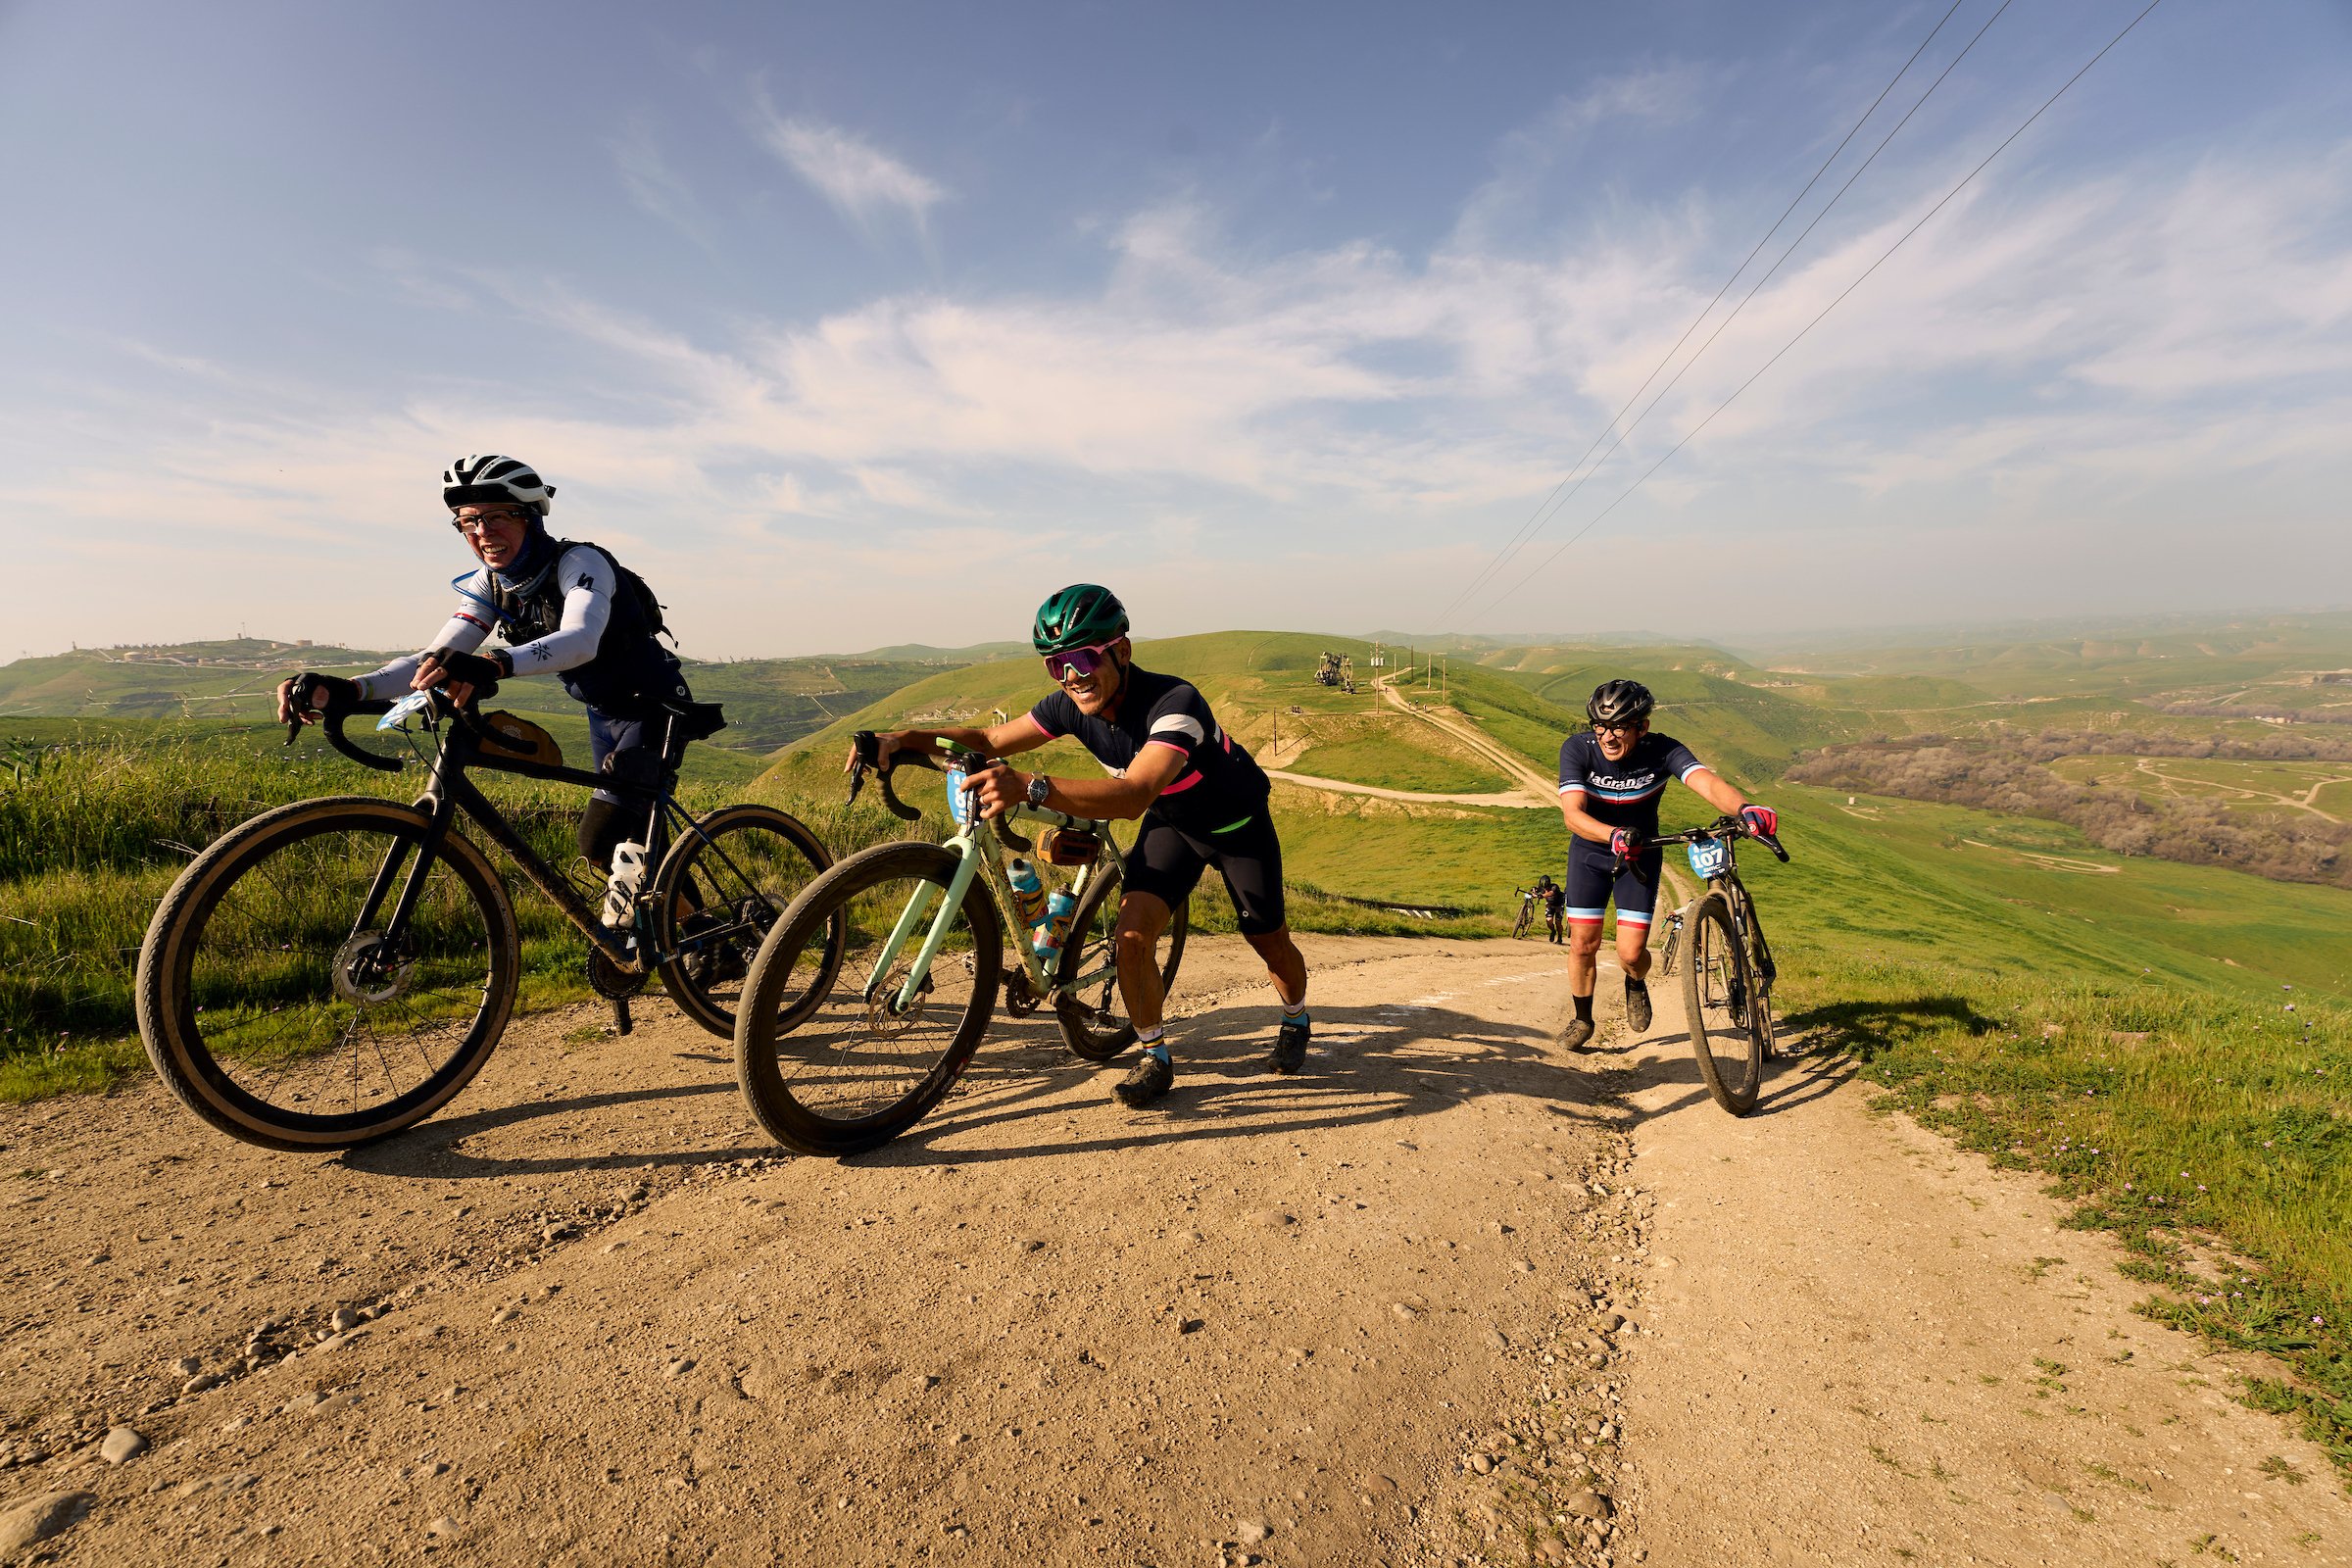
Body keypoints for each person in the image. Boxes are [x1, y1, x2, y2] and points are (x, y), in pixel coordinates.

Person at [858, 584, 1309, 1108]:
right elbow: (988, 740)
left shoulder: (1175, 703)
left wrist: (1031, 786)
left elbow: (1134, 794)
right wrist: (900, 738)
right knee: (1132, 939)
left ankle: (1296, 1015)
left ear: (1121, 651)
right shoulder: (1070, 705)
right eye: (1056, 665)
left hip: (1237, 828)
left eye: (1082, 658)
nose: (1072, 677)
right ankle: (1155, 1056)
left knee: (1268, 941)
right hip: (1174, 827)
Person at [275, 455, 695, 872]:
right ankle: (670, 931)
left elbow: (581, 640)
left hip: (655, 706)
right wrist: (350, 688)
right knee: (628, 845)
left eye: (497, 516)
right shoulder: (490, 584)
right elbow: (433, 658)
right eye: (467, 521)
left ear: (531, 517)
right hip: (603, 713)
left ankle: (698, 936)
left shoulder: (580, 563)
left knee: (601, 841)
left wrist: (493, 664)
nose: (482, 532)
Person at [1554, 679, 1777, 1050]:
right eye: (1600, 726)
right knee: (1582, 944)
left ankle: (1635, 981)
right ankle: (1582, 1019)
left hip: (1640, 856)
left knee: (1630, 954)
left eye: (1619, 727)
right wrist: (1611, 834)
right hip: (1591, 854)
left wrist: (1744, 808)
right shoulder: (1578, 749)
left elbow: (1705, 782)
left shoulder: (1662, 750)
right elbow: (1572, 815)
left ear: (1642, 726)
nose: (1608, 736)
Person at [1540, 874, 1567, 944]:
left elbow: (1550, 893)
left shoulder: (1554, 887)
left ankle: (1560, 937)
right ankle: (1553, 931)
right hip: (1550, 906)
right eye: (1544, 888)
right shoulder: (1542, 888)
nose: (1545, 889)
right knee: (1549, 921)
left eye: (1547, 887)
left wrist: (1542, 895)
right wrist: (1533, 892)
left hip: (1559, 906)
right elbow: (1535, 890)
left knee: (1558, 922)